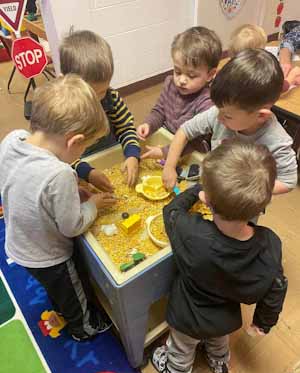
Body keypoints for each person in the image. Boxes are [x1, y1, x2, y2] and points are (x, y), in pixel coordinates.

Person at [151, 139, 288, 373]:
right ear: (264, 203)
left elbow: (172, 211)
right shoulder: (270, 244)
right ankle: (220, 362)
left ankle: (177, 372)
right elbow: (277, 285)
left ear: (207, 201)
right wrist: (263, 322)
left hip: (188, 316)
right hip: (226, 317)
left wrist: (196, 190)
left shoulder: (191, 233)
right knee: (218, 339)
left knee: (181, 346)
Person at [0, 75, 117, 341]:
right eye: (85, 147)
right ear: (73, 141)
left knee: (56, 289)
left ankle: (63, 305)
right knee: (71, 289)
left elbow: (25, 183)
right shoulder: (60, 173)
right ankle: (83, 328)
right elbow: (72, 225)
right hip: (49, 255)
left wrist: (69, 193)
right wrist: (95, 205)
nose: (82, 153)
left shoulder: (13, 139)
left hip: (18, 243)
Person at [162, 49, 298, 195]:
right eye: (218, 108)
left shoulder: (276, 141)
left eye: (227, 116)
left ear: (261, 116)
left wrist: (244, 192)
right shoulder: (220, 113)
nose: (219, 118)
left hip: (239, 205)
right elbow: (184, 131)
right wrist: (169, 166)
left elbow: (288, 181)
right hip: (212, 185)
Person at [59, 30, 140, 188]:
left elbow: (126, 128)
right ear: (65, 82)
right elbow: (60, 155)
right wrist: (86, 172)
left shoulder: (111, 98)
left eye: (102, 91)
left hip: (113, 155)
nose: (96, 100)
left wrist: (132, 155)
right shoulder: (63, 111)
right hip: (80, 166)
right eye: (89, 93)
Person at [138, 26, 222, 159]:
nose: (182, 80)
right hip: (168, 138)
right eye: (177, 71)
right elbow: (160, 111)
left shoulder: (207, 103)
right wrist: (149, 124)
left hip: (190, 151)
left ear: (210, 74)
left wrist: (164, 152)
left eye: (191, 75)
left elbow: (195, 142)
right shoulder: (170, 83)